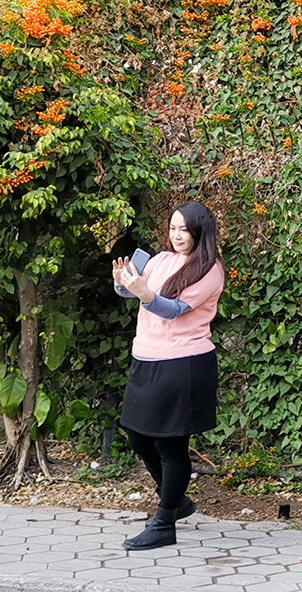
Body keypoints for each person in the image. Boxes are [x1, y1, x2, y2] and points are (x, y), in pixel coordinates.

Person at [112, 201, 225, 550]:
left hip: (184, 362)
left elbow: (173, 310)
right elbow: (128, 291)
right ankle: (177, 501)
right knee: (136, 434)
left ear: (199, 231)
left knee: (170, 443)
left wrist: (146, 294)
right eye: (173, 228)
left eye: (184, 230)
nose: (177, 236)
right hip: (146, 358)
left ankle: (164, 523)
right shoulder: (157, 259)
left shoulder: (210, 269)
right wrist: (122, 281)